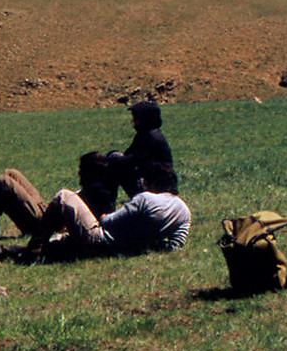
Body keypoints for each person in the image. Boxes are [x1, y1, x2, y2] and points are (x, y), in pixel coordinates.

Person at [30, 184, 193, 260]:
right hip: (124, 250)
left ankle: (35, 248)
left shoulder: (146, 199)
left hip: (100, 241)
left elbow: (108, 222)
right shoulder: (184, 212)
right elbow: (175, 245)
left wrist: (102, 215)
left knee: (64, 195)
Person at [106, 100, 177, 197]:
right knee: (114, 157)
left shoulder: (152, 138)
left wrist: (112, 160)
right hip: (150, 180)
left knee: (116, 164)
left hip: (157, 189)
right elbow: (128, 155)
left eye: (136, 118)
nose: (134, 122)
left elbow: (133, 160)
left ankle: (107, 201)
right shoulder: (144, 135)